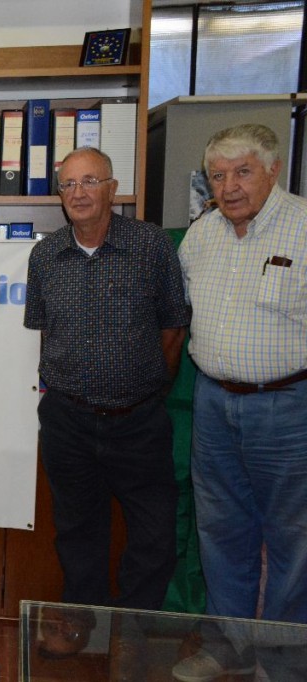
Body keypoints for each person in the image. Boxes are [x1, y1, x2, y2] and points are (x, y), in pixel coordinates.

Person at [23, 146, 189, 610]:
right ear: (60, 195)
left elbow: (173, 328)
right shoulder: (45, 255)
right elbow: (44, 332)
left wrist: (145, 391)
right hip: (68, 421)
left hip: (139, 422)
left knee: (154, 533)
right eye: (69, 184)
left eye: (90, 181)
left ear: (112, 190)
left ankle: (134, 628)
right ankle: (83, 623)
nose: (79, 193)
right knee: (77, 531)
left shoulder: (151, 245)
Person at [173, 123, 307, 680]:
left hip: (289, 407)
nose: (228, 187)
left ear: (273, 170)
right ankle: (228, 646)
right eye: (217, 175)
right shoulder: (200, 236)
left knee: (294, 538)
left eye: (242, 172)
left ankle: (283, 660)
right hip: (213, 402)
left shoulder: (304, 228)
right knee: (221, 531)